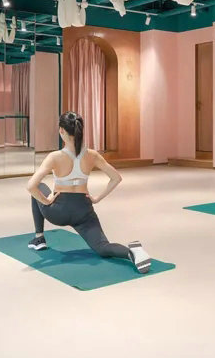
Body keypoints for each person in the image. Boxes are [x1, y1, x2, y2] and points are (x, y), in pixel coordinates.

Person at [25, 111, 152, 273]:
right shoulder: (92, 155)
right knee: (102, 247)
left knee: (40, 186)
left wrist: (47, 201)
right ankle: (131, 253)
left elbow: (31, 186)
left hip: (58, 212)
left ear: (61, 130)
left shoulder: (54, 157)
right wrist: (97, 198)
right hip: (83, 211)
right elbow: (116, 178)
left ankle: (39, 238)